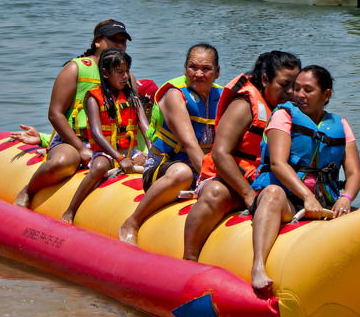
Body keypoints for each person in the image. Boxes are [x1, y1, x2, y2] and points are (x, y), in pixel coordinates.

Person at [247, 65, 360, 293]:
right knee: (271, 193)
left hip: (324, 202)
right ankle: (258, 266)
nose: (299, 95)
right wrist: (307, 197)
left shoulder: (340, 124)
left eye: (308, 90)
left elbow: (354, 173)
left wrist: (346, 198)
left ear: (326, 95)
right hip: (288, 202)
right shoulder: (283, 115)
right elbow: (278, 163)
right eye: (296, 88)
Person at [182, 50, 300, 261]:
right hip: (230, 182)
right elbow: (220, 153)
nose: (291, 92)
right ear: (265, 79)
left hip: (266, 183)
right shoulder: (243, 106)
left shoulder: (290, 111)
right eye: (284, 85)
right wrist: (248, 194)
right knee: (216, 193)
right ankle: (189, 258)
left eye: (295, 86)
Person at [14, 19, 132, 210]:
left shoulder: (126, 76)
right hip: (73, 140)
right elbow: (55, 114)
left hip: (111, 143)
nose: (119, 45)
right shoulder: (76, 68)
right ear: (97, 41)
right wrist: (81, 149)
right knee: (63, 162)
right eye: (113, 39)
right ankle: (28, 190)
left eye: (123, 41)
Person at [117, 44, 222, 244]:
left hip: (203, 170)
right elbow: (190, 144)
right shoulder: (175, 95)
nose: (198, 74)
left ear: (217, 72)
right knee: (183, 172)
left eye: (206, 69)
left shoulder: (223, 97)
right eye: (193, 67)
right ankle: (132, 221)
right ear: (185, 69)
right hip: (163, 170)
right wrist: (212, 182)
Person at [60, 48, 149, 223]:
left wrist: (154, 154)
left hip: (130, 151)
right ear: (106, 73)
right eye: (119, 72)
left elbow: (146, 129)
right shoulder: (94, 98)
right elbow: (96, 133)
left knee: (156, 166)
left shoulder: (132, 98)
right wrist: (118, 157)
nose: (125, 77)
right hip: (106, 152)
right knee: (99, 167)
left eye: (126, 72)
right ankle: (71, 209)